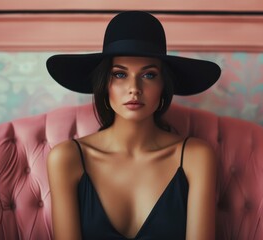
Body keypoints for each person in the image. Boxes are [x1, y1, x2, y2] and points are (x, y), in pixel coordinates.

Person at [46, 11, 221, 240]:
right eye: (120, 74)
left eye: (148, 75)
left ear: (163, 86)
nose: (134, 88)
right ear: (104, 84)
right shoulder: (67, 158)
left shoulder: (195, 156)